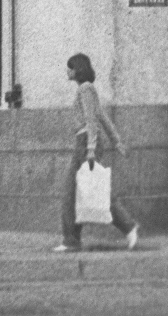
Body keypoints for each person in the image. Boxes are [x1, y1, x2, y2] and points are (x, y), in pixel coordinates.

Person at [55, 52, 139, 252]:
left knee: (71, 193)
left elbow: (93, 120)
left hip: (85, 143)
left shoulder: (85, 89)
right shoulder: (88, 90)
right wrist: (116, 142)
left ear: (78, 69)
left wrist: (91, 148)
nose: (67, 71)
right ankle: (126, 227)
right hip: (86, 142)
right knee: (86, 192)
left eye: (70, 67)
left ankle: (72, 241)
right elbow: (102, 116)